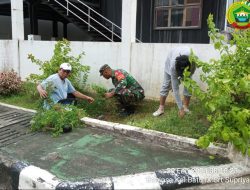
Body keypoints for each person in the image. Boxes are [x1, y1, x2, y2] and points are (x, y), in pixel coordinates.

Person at [153, 46, 196, 118]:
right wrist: (180, 108)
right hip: (170, 61)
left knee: (188, 85)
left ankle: (186, 108)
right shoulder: (173, 66)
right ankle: (161, 109)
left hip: (187, 64)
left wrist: (180, 80)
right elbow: (176, 90)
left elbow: (191, 73)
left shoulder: (193, 62)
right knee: (166, 85)